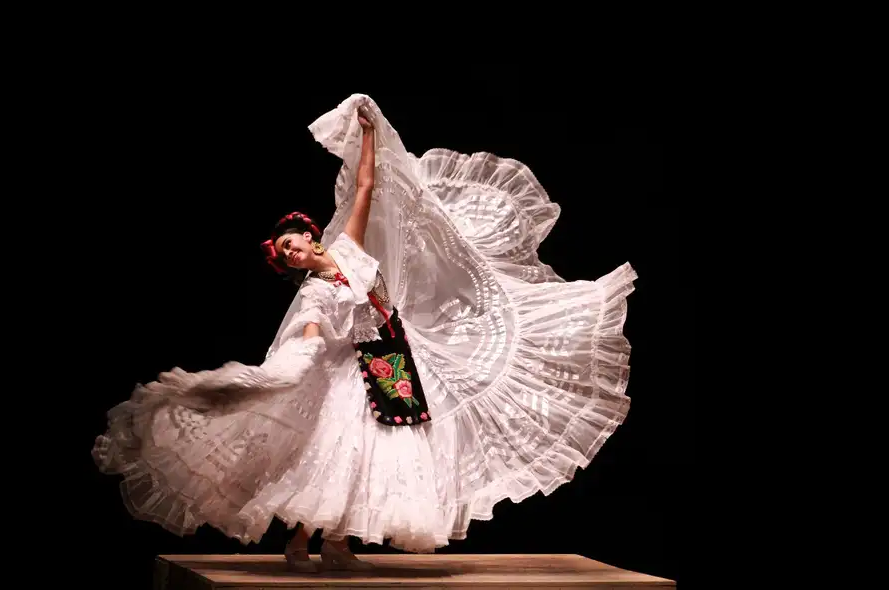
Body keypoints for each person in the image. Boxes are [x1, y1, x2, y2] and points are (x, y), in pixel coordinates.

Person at [92, 94, 638, 573]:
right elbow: (310, 336)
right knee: (339, 450)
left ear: (309, 238)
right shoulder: (315, 293)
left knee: (380, 453)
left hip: (390, 355)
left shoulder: (349, 251)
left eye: (293, 241)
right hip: (349, 368)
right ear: (292, 265)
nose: (293, 249)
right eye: (285, 253)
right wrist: (287, 369)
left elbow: (366, 187)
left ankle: (334, 542)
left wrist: (369, 132)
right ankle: (302, 539)